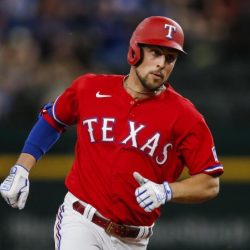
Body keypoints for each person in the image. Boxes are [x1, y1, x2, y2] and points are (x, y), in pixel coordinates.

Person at [0, 16, 224, 250]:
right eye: (155, 53)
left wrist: (168, 191)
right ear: (135, 51)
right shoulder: (90, 88)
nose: (162, 64)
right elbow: (52, 119)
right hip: (82, 221)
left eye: (170, 58)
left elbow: (210, 183)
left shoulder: (185, 115)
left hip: (134, 239)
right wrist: (21, 168)